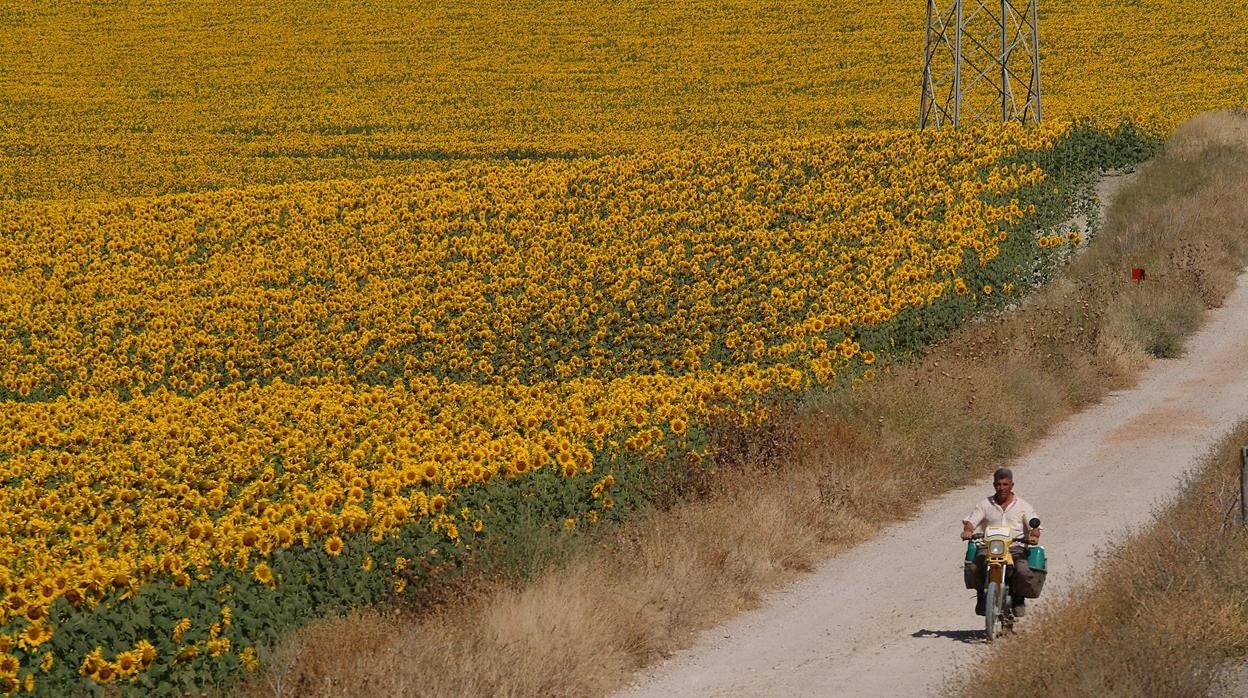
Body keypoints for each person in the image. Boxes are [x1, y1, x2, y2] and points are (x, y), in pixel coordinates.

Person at [960, 467, 1041, 617]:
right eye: (998, 484)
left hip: (1014, 548)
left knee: (1023, 571)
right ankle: (981, 594)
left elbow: (1034, 525)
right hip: (989, 546)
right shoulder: (985, 504)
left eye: (1005, 484)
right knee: (973, 568)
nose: (1001, 488)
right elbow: (971, 521)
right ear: (994, 485)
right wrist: (968, 531)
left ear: (1012, 485)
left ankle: (1018, 598)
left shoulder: (1023, 506)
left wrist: (1034, 535)